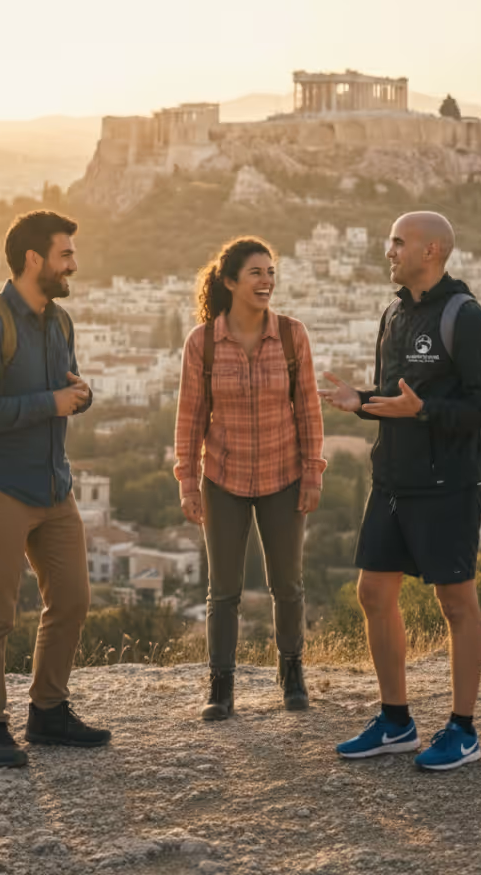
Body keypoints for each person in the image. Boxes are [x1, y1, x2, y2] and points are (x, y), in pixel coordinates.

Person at [320, 211, 481, 772]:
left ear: (432, 251)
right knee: (374, 593)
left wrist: (423, 411)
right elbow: (402, 395)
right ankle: (396, 721)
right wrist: (364, 401)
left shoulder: (465, 317)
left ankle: (464, 730)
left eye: (398, 243)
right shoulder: (394, 312)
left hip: (448, 482)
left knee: (455, 602)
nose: (388, 251)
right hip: (393, 479)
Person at [0, 209, 111, 767]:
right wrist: (51, 403)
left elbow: (66, 388)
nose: (74, 264)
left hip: (52, 486)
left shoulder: (59, 322)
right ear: (33, 260)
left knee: (71, 599)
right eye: (65, 254)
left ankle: (47, 712)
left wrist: (80, 395)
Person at [174, 237, 326, 721]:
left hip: (283, 474)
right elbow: (190, 417)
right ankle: (220, 685)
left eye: (271, 272)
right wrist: (186, 480)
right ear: (230, 281)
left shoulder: (290, 334)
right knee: (223, 590)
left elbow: (308, 409)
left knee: (288, 583)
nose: (267, 281)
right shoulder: (202, 343)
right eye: (257, 273)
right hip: (223, 477)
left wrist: (313, 473)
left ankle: (292, 673)